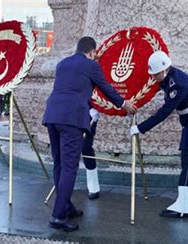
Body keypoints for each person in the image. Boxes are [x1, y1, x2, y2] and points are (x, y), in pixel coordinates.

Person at [42, 36, 137, 231]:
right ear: (92, 52)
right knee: (69, 167)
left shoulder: (62, 64)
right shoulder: (90, 65)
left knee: (59, 164)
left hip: (52, 115)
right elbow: (106, 88)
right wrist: (123, 103)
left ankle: (66, 206)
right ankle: (57, 217)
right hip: (72, 120)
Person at [130, 51, 188, 219]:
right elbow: (152, 88)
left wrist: (140, 128)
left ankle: (184, 207)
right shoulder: (168, 77)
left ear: (164, 70)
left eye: (155, 74)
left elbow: (164, 112)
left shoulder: (178, 84)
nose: (153, 77)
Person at [82, 107, 100, 199]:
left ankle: (93, 187)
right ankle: (64, 183)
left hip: (89, 111)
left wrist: (94, 107)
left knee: (86, 147)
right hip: (71, 109)